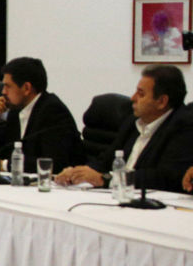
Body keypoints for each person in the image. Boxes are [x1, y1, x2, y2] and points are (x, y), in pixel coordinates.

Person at [56, 65, 193, 193]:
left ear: (162, 101)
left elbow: (165, 176)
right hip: (118, 195)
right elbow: (106, 160)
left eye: (141, 94)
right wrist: (78, 172)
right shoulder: (133, 121)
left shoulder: (184, 125)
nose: (133, 98)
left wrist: (106, 179)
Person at [0, 57, 81, 173]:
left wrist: (4, 165)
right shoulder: (16, 111)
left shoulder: (52, 110)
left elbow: (53, 163)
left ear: (26, 88)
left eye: (8, 86)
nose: (3, 92)